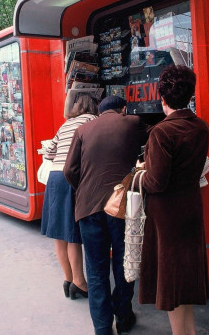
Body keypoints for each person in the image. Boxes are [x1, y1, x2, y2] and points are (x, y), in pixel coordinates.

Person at [64, 95, 150, 335]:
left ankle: (102, 328)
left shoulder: (83, 129)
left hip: (88, 208)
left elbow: (69, 170)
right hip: (122, 207)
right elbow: (157, 138)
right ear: (122, 109)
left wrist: (86, 190)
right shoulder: (132, 122)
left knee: (96, 270)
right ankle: (123, 317)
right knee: (125, 263)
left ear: (100, 113)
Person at [137, 65, 209, 335]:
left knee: (170, 281)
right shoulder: (201, 127)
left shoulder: (161, 132)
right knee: (185, 278)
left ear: (163, 99)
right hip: (191, 206)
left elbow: (156, 182)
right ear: (189, 95)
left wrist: (137, 175)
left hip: (166, 216)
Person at [41, 93, 99, 300]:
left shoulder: (65, 124)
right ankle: (80, 283)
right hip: (70, 178)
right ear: (93, 106)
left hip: (54, 177)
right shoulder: (92, 120)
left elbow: (49, 153)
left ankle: (68, 279)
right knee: (73, 234)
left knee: (60, 235)